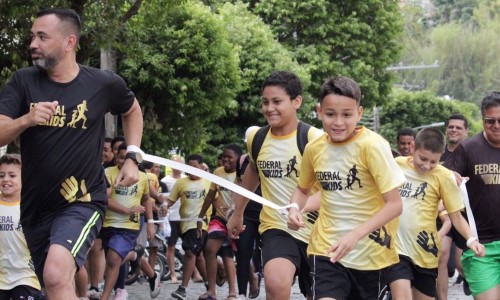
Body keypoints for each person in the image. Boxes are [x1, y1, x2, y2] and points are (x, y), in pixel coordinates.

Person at [0, 8, 143, 300]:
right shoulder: (23, 81)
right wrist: (26, 120)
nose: (33, 45)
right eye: (32, 37)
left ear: (69, 43)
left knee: (55, 272)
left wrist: (133, 156)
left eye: (42, 37)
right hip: (35, 208)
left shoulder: (102, 83)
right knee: (55, 284)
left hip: (83, 201)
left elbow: (132, 110)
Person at [287, 76, 405, 299]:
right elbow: (303, 190)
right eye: (330, 114)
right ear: (319, 111)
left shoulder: (373, 147)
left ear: (359, 113)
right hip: (326, 250)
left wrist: (355, 235)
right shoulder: (314, 149)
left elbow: (395, 204)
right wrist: (294, 208)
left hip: (371, 255)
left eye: (347, 115)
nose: (338, 122)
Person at [227, 71, 323, 300]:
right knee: (276, 284)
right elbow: (253, 170)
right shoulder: (257, 139)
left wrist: (299, 208)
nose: (270, 108)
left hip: (320, 231)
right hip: (276, 226)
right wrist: (238, 212)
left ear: (296, 101)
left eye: (277, 101)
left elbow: (333, 190)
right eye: (265, 102)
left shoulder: (315, 140)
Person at [386, 128, 484, 300]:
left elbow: (455, 216)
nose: (426, 166)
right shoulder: (396, 164)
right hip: (396, 249)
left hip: (425, 252)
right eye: (423, 158)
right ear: (413, 146)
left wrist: (471, 239)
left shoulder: (443, 176)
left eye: (433, 161)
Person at [444, 91, 500, 299]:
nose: (496, 125)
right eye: (490, 121)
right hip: (480, 248)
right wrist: (450, 176)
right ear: (482, 119)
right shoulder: (468, 149)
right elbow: (444, 179)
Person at [101, 144, 161, 300]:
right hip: (108, 224)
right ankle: (134, 255)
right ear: (116, 157)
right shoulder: (108, 173)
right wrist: (126, 209)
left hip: (129, 225)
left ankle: (106, 296)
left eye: (128, 158)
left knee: (114, 258)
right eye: (121, 157)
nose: (124, 161)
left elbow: (147, 199)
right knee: (111, 262)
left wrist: (150, 222)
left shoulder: (142, 177)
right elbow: (104, 198)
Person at [197, 144, 243, 300]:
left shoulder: (243, 173)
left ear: (238, 158)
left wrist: (237, 213)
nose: (225, 159)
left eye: (229, 157)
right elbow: (210, 196)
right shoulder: (217, 172)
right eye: (224, 156)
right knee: (209, 249)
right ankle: (211, 291)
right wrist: (200, 216)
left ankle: (232, 292)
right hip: (220, 218)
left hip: (237, 219)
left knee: (229, 255)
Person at [165, 154, 210, 300]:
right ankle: (210, 286)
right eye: (188, 167)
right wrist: (163, 206)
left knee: (190, 252)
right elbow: (170, 201)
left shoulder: (209, 182)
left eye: (194, 167)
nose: (191, 170)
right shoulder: (181, 183)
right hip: (184, 224)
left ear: (202, 166)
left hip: (200, 225)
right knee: (198, 256)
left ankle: (182, 288)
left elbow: (215, 201)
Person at [437, 113, 470, 299]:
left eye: (459, 127)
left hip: (464, 215)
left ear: (466, 131)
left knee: (460, 263)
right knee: (441, 255)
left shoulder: (471, 152)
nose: (454, 130)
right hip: (441, 215)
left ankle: (470, 279)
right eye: (451, 127)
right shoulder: (438, 153)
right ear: (446, 129)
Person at [0, 154, 41, 299]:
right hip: (2, 277)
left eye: (12, 175)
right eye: (1, 175)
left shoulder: (32, 207)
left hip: (26, 276)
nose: (5, 179)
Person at [235, 126, 263, 299]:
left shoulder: (270, 157)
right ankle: (241, 293)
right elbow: (238, 185)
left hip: (267, 212)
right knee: (242, 253)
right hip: (247, 212)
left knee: (264, 254)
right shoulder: (242, 160)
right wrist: (236, 208)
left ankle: (259, 276)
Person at [161, 155, 186, 283]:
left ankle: (192, 273)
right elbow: (162, 199)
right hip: (171, 217)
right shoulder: (165, 180)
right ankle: (173, 274)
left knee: (190, 247)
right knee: (171, 246)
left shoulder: (187, 179)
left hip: (185, 218)